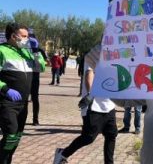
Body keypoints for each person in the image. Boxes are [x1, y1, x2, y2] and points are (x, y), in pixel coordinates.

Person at [53, 44, 117, 164]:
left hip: (110, 104)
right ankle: (63, 153)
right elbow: (89, 74)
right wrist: (90, 94)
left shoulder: (117, 54)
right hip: (94, 104)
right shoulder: (94, 54)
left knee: (111, 135)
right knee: (88, 137)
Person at [0, 23, 46, 163]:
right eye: (24, 36)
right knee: (11, 134)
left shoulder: (27, 52)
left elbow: (41, 68)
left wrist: (36, 50)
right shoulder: (2, 50)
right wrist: (5, 89)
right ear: (14, 36)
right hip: (7, 102)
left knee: (16, 138)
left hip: (23, 104)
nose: (27, 39)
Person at [28, 32, 46, 126]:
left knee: (35, 98)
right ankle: (21, 118)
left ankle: (35, 119)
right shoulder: (22, 49)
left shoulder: (39, 50)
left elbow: (42, 65)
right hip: (24, 77)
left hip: (34, 77)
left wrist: (35, 51)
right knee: (24, 99)